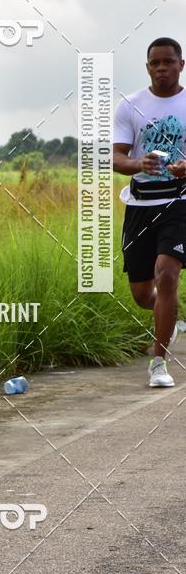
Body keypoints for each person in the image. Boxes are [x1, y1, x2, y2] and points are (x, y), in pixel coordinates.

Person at [113, 37, 186, 388]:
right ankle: (170, 316)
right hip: (140, 205)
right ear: (147, 68)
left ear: (181, 65)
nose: (161, 69)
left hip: (179, 202)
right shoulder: (130, 105)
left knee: (167, 274)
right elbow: (116, 157)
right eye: (155, 63)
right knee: (144, 294)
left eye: (168, 62)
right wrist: (137, 163)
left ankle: (158, 362)